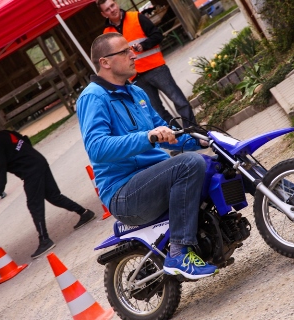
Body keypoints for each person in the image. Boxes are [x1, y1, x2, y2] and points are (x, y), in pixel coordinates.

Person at [76, 32, 217, 279]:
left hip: (154, 178)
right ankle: (179, 253)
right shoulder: (93, 97)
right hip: (124, 192)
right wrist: (147, 137)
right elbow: (97, 148)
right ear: (105, 62)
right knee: (190, 164)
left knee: (218, 165)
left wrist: (205, 139)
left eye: (131, 49)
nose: (133, 55)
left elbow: (169, 134)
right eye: (124, 51)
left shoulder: (137, 93)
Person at [0, 126, 96, 259]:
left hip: (31, 171)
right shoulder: (3, 133)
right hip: (39, 161)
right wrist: (25, 155)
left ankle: (45, 240)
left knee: (34, 204)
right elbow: (24, 140)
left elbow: (0, 174)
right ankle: (85, 213)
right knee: (53, 196)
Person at [96, 0, 197, 128]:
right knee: (157, 112)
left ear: (116, 4)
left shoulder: (137, 17)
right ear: (103, 14)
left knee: (179, 101)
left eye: (112, 5)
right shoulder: (107, 35)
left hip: (156, 68)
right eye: (107, 9)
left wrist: (143, 46)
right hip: (135, 78)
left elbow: (157, 35)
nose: (112, 10)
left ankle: (194, 130)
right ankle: (179, 138)